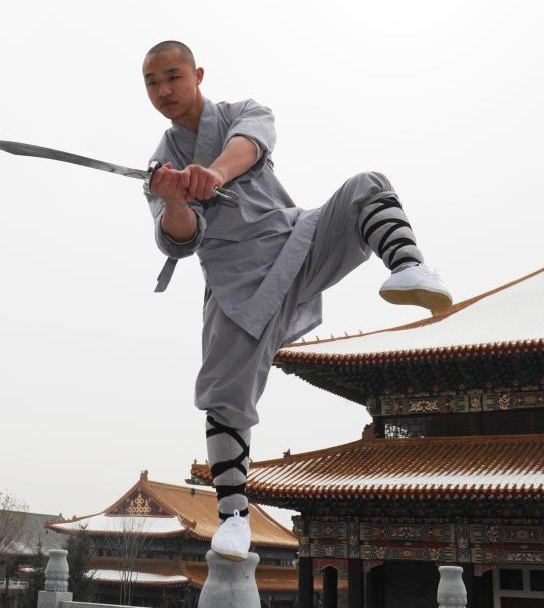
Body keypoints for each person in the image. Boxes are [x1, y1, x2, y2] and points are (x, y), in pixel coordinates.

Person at [142, 41, 451, 561]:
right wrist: (174, 198)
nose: (164, 91)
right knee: (224, 396)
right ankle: (235, 514)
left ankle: (407, 265)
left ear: (197, 74)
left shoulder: (244, 112)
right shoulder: (161, 163)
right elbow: (181, 238)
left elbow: (250, 145)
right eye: (152, 83)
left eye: (172, 76)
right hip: (235, 286)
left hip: (294, 244)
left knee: (365, 186)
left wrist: (213, 174)